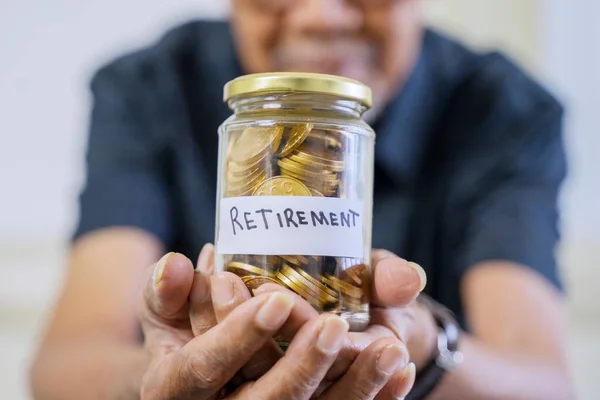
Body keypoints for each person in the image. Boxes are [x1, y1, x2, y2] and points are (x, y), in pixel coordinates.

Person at [30, 0, 573, 399]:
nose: (321, 16)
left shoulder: (506, 111)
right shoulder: (147, 87)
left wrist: (425, 347)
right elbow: (66, 366)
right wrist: (163, 377)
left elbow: (543, 384)